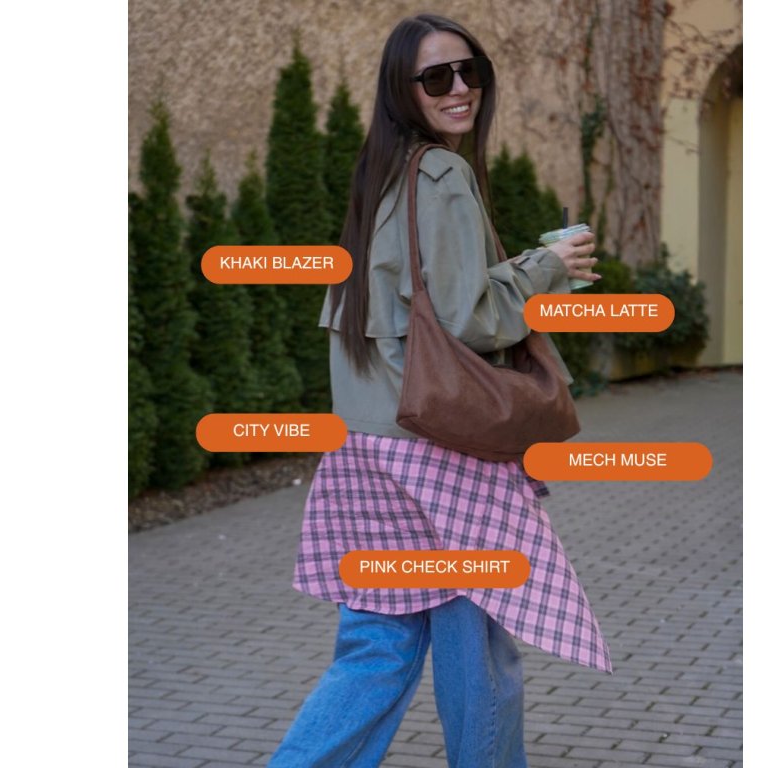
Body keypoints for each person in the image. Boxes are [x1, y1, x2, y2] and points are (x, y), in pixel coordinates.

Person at [269, 13, 611, 768]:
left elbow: (415, 306)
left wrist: (519, 269)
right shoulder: (442, 174)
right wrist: (548, 269)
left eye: (470, 70)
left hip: (366, 452)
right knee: (475, 649)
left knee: (376, 648)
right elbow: (467, 318)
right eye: (435, 77)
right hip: (441, 454)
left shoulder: (381, 174)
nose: (459, 88)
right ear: (404, 89)